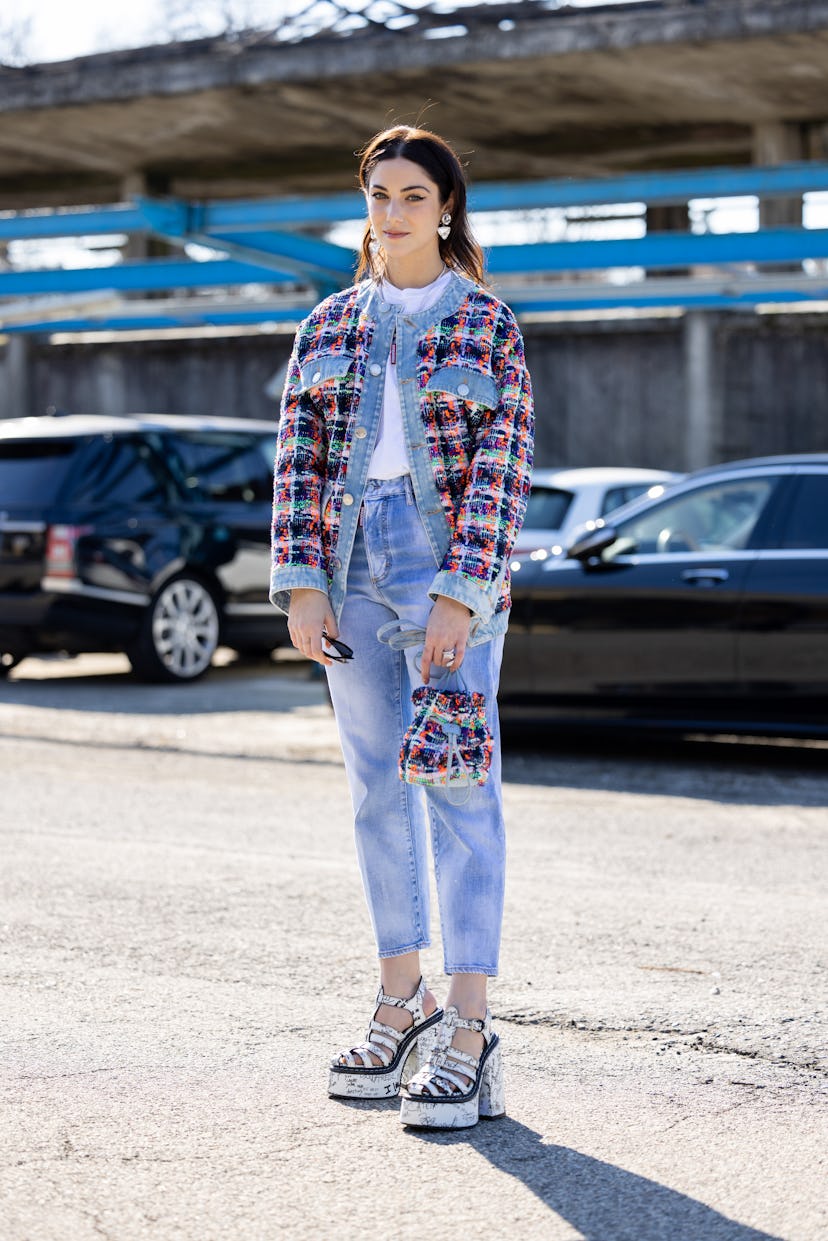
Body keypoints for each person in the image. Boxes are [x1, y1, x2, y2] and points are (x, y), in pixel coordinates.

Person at [270, 125, 534, 1129]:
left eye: (412, 195)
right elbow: (299, 459)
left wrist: (465, 593)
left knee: (461, 786)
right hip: (349, 570)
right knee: (376, 789)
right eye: (378, 194)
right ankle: (400, 995)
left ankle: (470, 1025)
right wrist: (301, 582)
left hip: (444, 568)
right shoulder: (328, 326)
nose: (391, 213)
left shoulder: (488, 324)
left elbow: (503, 472)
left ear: (446, 209)